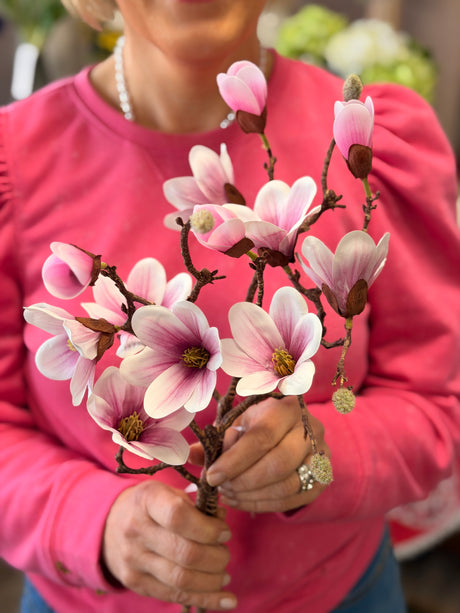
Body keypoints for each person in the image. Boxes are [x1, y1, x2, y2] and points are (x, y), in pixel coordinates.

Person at [0, 1, 459, 612]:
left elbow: (432, 405)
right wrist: (91, 522)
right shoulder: (16, 162)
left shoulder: (366, 141)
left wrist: (321, 460)